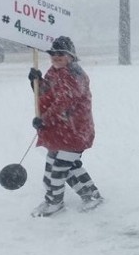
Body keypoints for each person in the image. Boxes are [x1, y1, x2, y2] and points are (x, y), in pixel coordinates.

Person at [28, 36, 102, 217]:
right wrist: (36, 82)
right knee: (67, 166)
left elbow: (64, 103)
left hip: (75, 131)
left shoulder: (75, 75)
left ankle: (54, 202)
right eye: (53, 54)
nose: (56, 57)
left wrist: (44, 120)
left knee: (58, 168)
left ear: (71, 56)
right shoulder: (54, 72)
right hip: (60, 132)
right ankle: (91, 195)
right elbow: (46, 94)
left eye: (61, 54)